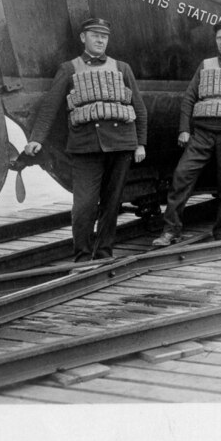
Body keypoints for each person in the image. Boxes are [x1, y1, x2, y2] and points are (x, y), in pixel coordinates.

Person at [25, 18, 148, 262]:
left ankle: (104, 254)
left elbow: (139, 108)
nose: (100, 40)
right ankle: (81, 256)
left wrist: (141, 143)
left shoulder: (122, 68)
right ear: (83, 38)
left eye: (104, 36)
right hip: (85, 146)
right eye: (95, 35)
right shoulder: (69, 69)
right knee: (84, 205)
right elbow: (51, 106)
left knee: (112, 203)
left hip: (121, 144)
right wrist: (37, 138)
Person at [152, 19, 221, 245]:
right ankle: (171, 230)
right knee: (182, 175)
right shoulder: (205, 65)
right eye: (219, 38)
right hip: (203, 132)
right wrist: (184, 129)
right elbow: (189, 98)